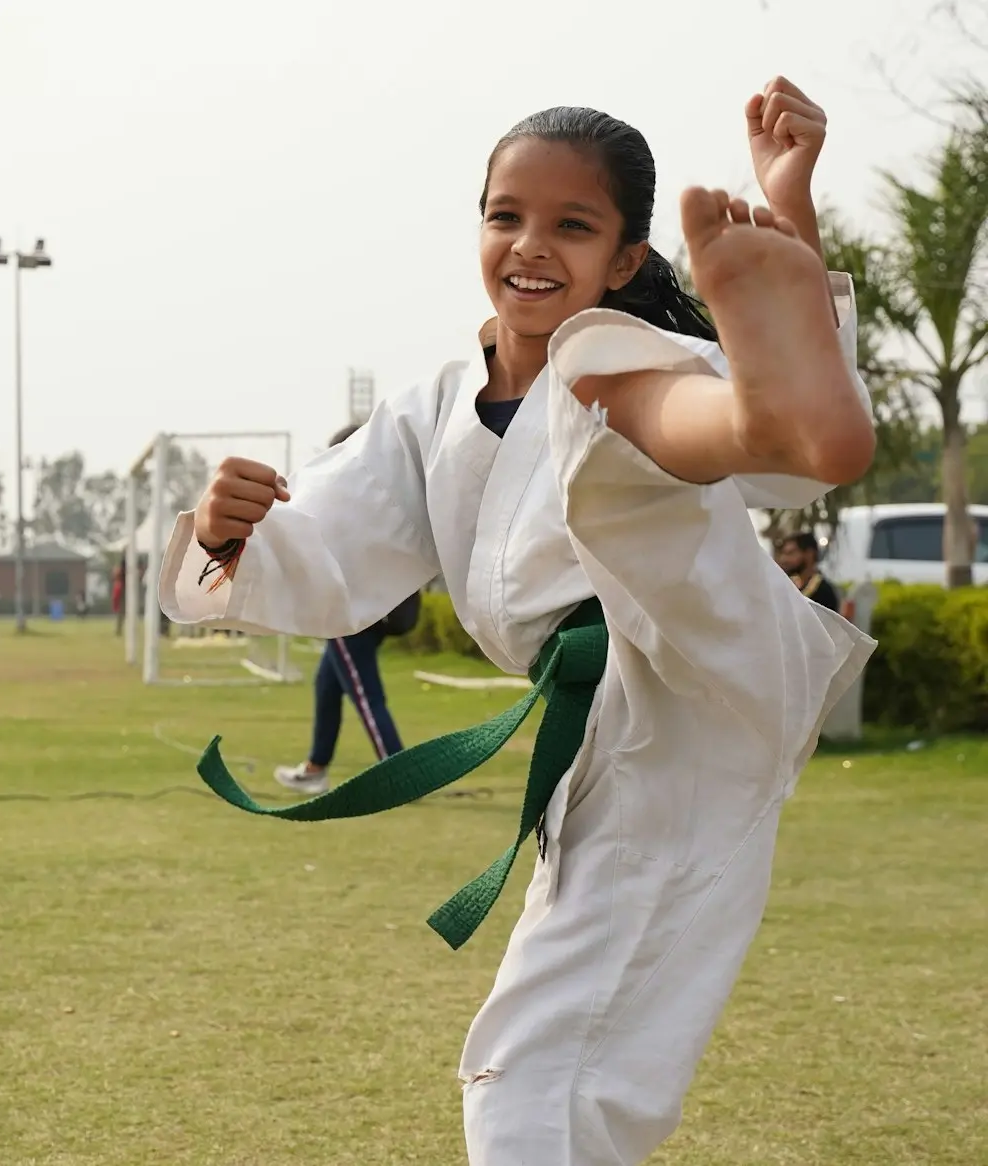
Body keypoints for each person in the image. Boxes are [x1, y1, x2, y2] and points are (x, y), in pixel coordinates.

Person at [165, 81, 874, 1164]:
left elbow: (730, 447)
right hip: (607, 750)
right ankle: (778, 377)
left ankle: (777, 378)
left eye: (572, 225)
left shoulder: (610, 354)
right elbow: (324, 545)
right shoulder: (436, 407)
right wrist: (229, 532)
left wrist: (779, 278)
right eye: (507, 215)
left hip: (681, 723)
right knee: (582, 1095)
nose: (529, 245)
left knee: (528, 1083)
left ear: (626, 259)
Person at [275, 425, 421, 794]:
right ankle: (315, 768)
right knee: (327, 685)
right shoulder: (387, 494)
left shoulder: (352, 499)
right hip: (373, 608)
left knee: (365, 694)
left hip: (352, 613)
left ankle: (400, 773)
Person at [776, 531, 841, 613]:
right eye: (784, 554)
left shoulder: (824, 592)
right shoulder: (789, 587)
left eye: (791, 553)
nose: (784, 559)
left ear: (809, 554)